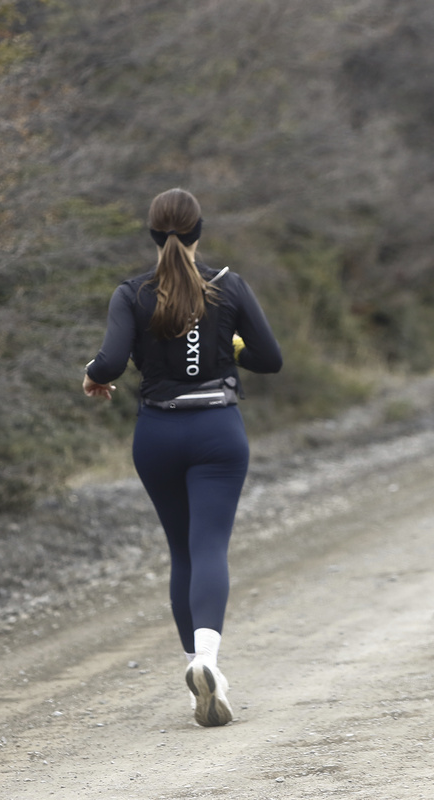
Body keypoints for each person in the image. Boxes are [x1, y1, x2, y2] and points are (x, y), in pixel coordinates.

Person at [82, 188, 282, 727]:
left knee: (181, 551)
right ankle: (208, 660)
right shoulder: (229, 286)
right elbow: (270, 358)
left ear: (153, 234)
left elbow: (110, 362)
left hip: (158, 434)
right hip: (218, 431)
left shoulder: (131, 293)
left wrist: (92, 375)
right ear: (198, 232)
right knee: (209, 545)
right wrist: (230, 345)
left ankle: (197, 666)